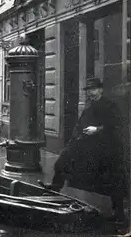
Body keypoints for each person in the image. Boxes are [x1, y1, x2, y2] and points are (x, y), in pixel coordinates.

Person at [38, 77, 128, 223]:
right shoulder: (89, 107)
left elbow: (116, 125)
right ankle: (55, 187)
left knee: (113, 179)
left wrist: (97, 129)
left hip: (107, 147)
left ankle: (119, 214)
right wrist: (74, 141)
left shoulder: (110, 106)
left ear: (100, 90)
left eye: (93, 90)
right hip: (87, 146)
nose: (90, 93)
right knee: (63, 159)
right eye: (88, 91)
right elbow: (79, 126)